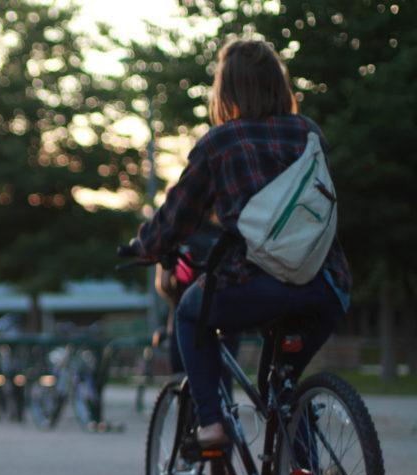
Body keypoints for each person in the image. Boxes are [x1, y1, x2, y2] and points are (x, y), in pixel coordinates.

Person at [131, 39, 351, 449]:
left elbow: (177, 217)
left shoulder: (220, 141)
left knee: (189, 317)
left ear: (225, 90)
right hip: (326, 283)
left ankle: (212, 424)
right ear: (278, 85)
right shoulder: (310, 134)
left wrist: (145, 246)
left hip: (254, 282)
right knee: (284, 389)